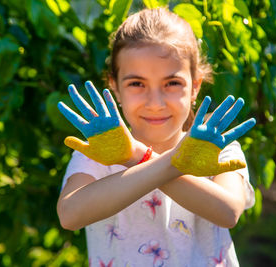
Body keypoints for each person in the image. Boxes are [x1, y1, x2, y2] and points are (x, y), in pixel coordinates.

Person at [56, 7, 256, 267]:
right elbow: (70, 215)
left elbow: (228, 212)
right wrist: (172, 163)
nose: (155, 102)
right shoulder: (98, 151)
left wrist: (135, 157)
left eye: (172, 83)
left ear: (195, 86)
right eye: (137, 84)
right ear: (114, 86)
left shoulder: (217, 145)